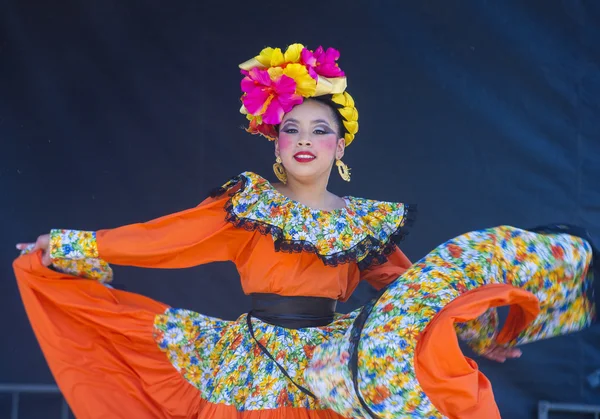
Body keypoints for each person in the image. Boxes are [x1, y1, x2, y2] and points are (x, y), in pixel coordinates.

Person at [13, 43, 597, 419]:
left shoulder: (363, 221)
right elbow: (163, 238)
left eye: (320, 130)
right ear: (276, 141)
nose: (305, 141)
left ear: (339, 145)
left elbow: (407, 291)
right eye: (292, 129)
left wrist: (473, 334)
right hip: (255, 360)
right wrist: (67, 246)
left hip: (331, 362)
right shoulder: (248, 208)